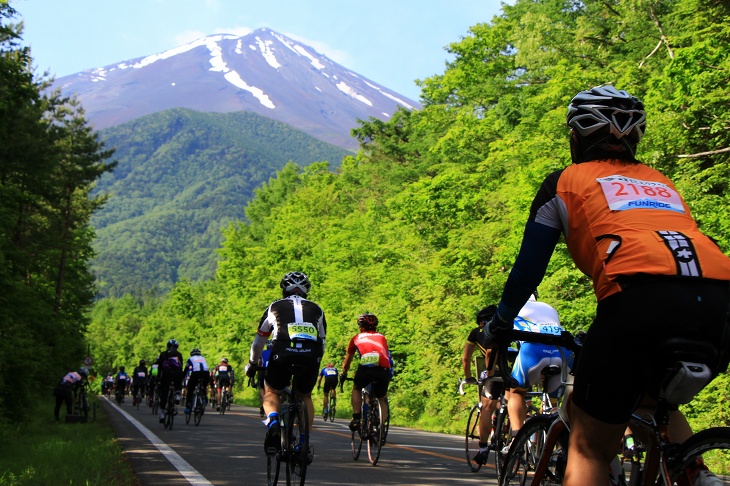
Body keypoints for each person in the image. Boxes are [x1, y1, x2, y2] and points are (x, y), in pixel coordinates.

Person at [482, 85, 730, 486]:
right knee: (653, 403)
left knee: (589, 445)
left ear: (577, 136)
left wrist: (499, 324)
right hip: (719, 302)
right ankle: (698, 474)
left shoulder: (565, 181)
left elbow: (528, 272)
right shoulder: (660, 182)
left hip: (638, 301)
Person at [244, 271, 326, 458]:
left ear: (283, 288)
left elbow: (259, 342)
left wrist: (252, 363)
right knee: (305, 396)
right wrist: (314, 362)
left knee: (273, 391)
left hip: (281, 351)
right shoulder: (317, 309)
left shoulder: (274, 307)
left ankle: (273, 421)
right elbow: (322, 343)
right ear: (307, 290)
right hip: (310, 354)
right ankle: (303, 444)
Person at [502, 292, 572, 452]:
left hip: (534, 351)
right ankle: (558, 445)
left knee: (516, 392)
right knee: (553, 404)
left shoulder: (512, 308)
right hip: (563, 353)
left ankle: (516, 442)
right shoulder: (548, 308)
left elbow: (498, 339)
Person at [340, 313, 392, 434]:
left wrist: (344, 373)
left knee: (357, 388)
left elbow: (347, 361)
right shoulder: (382, 337)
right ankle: (381, 426)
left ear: (361, 327)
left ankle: (357, 418)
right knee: (382, 398)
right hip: (382, 368)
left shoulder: (356, 338)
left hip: (366, 368)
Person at [462, 305, 501, 465]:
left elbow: (466, 359)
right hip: (518, 369)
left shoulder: (477, 332)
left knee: (487, 407)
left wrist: (469, 377)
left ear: (480, 323)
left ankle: (483, 448)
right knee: (514, 402)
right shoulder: (509, 327)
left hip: (495, 373)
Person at [156, 339, 184, 423]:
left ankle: (162, 413)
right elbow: (181, 367)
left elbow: (160, 367)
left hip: (166, 374)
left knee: (164, 393)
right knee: (178, 383)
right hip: (176, 375)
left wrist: (158, 378)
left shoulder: (163, 354)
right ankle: (177, 394)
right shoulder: (179, 354)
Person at [183, 348, 210, 414]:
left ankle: (188, 407)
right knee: (203, 387)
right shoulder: (203, 358)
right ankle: (204, 398)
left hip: (196, 373)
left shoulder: (190, 359)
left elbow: (186, 369)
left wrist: (182, 377)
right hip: (206, 374)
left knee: (190, 389)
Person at [255, 345, 271, 417]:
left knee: (261, 387)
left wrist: (258, 376)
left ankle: (264, 400)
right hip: (276, 373)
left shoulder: (263, 353)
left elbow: (259, 364)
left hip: (263, 372)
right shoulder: (278, 352)